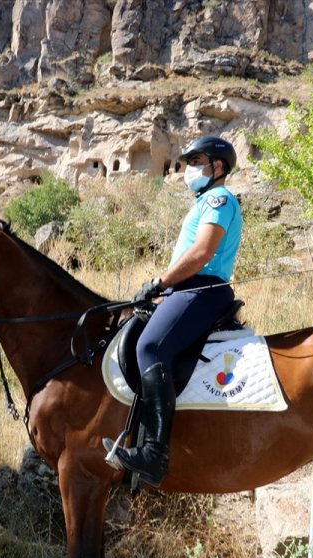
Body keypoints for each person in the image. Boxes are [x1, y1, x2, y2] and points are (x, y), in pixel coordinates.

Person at [112, 135, 243, 487]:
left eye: (198, 162)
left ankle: (155, 452)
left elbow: (201, 253)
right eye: (189, 163)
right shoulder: (202, 202)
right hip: (184, 290)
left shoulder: (218, 198)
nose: (190, 170)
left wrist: (159, 281)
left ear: (218, 167)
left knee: (151, 348)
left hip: (202, 290)